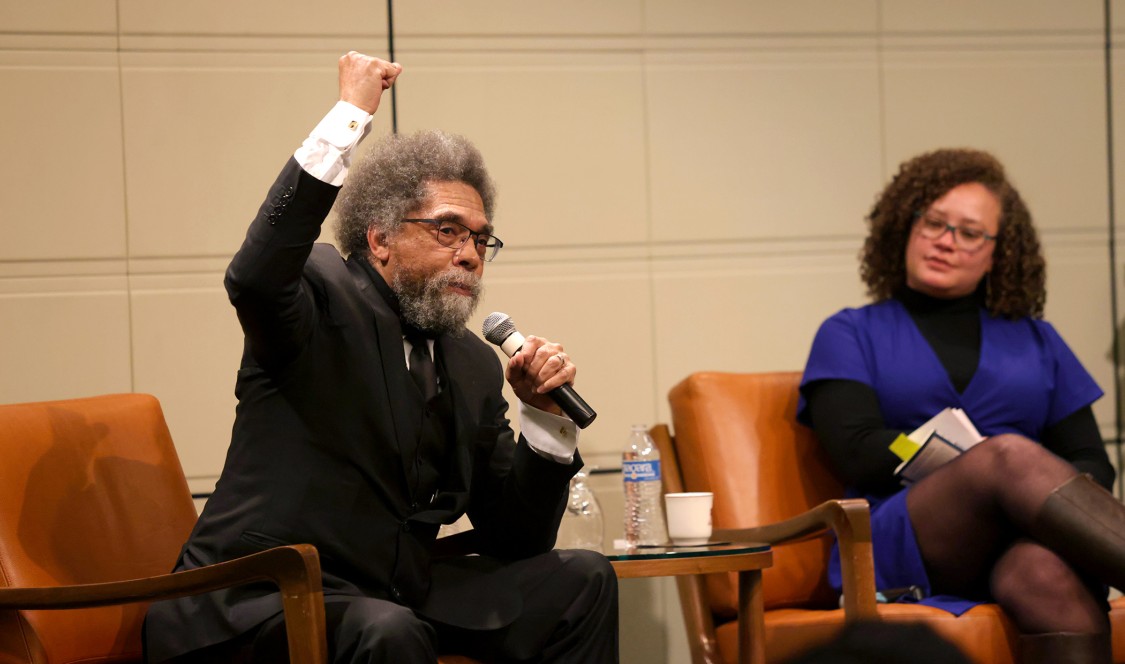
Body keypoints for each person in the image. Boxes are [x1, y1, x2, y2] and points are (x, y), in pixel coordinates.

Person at [143, 52, 619, 663]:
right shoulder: (318, 294)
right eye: (448, 230)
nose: (470, 254)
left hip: (392, 595)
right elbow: (257, 276)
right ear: (379, 238)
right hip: (257, 596)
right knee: (387, 630)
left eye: (481, 238)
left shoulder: (470, 364)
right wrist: (350, 116)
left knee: (580, 581)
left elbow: (515, 536)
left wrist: (544, 422)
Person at [798, 148, 1125, 663]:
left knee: (1050, 578)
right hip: (901, 534)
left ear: (999, 252)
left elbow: (1092, 462)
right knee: (1007, 455)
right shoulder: (850, 332)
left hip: (1015, 537)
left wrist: (1024, 499)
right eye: (934, 223)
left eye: (969, 232)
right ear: (905, 228)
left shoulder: (1037, 340)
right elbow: (857, 451)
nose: (946, 242)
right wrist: (954, 454)